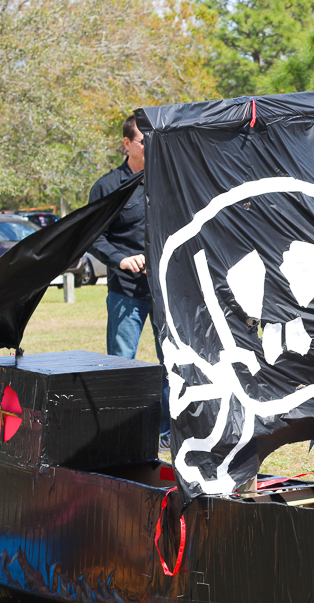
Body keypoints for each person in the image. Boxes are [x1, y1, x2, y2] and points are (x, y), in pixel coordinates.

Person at [88, 114, 170, 449]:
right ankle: (121, 432)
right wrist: (120, 258)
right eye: (143, 141)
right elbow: (93, 235)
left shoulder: (166, 180)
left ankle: (166, 432)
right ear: (126, 144)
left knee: (172, 361)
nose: (149, 147)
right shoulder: (107, 187)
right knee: (122, 363)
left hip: (165, 290)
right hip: (126, 291)